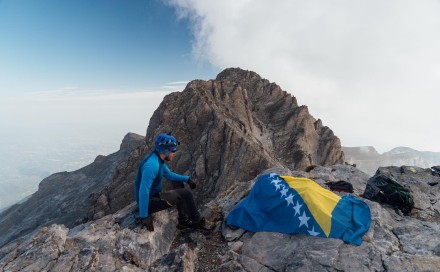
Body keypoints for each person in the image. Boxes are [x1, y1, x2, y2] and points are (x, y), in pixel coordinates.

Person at [134, 133, 211, 231]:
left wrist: (187, 179)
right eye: (173, 150)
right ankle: (197, 223)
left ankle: (183, 220)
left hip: (153, 196)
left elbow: (169, 175)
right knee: (186, 194)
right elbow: (143, 190)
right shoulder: (152, 166)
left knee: (178, 183)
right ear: (165, 150)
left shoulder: (157, 158)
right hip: (150, 202)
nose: (175, 153)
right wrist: (144, 215)